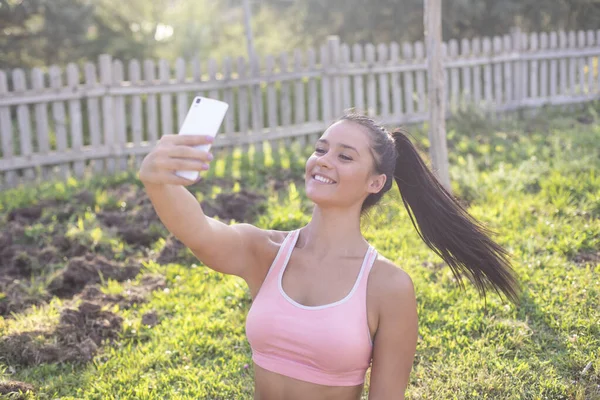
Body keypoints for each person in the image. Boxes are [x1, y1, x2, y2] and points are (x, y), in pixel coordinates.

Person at [139, 111, 522, 400]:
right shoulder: (267, 252)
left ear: (375, 183)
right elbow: (199, 232)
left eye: (344, 156)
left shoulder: (387, 286)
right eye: (321, 149)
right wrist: (156, 181)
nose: (323, 160)